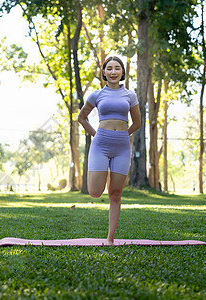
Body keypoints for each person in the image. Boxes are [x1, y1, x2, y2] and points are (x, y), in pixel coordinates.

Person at [78, 56, 141, 245]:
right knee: (95, 192)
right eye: (110, 68)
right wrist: (96, 134)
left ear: (122, 72)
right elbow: (81, 118)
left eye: (117, 68)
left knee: (115, 193)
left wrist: (123, 135)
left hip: (122, 147)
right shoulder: (96, 95)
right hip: (101, 144)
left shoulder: (130, 96)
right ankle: (102, 171)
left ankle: (110, 238)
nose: (113, 72)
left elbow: (137, 123)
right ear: (104, 72)